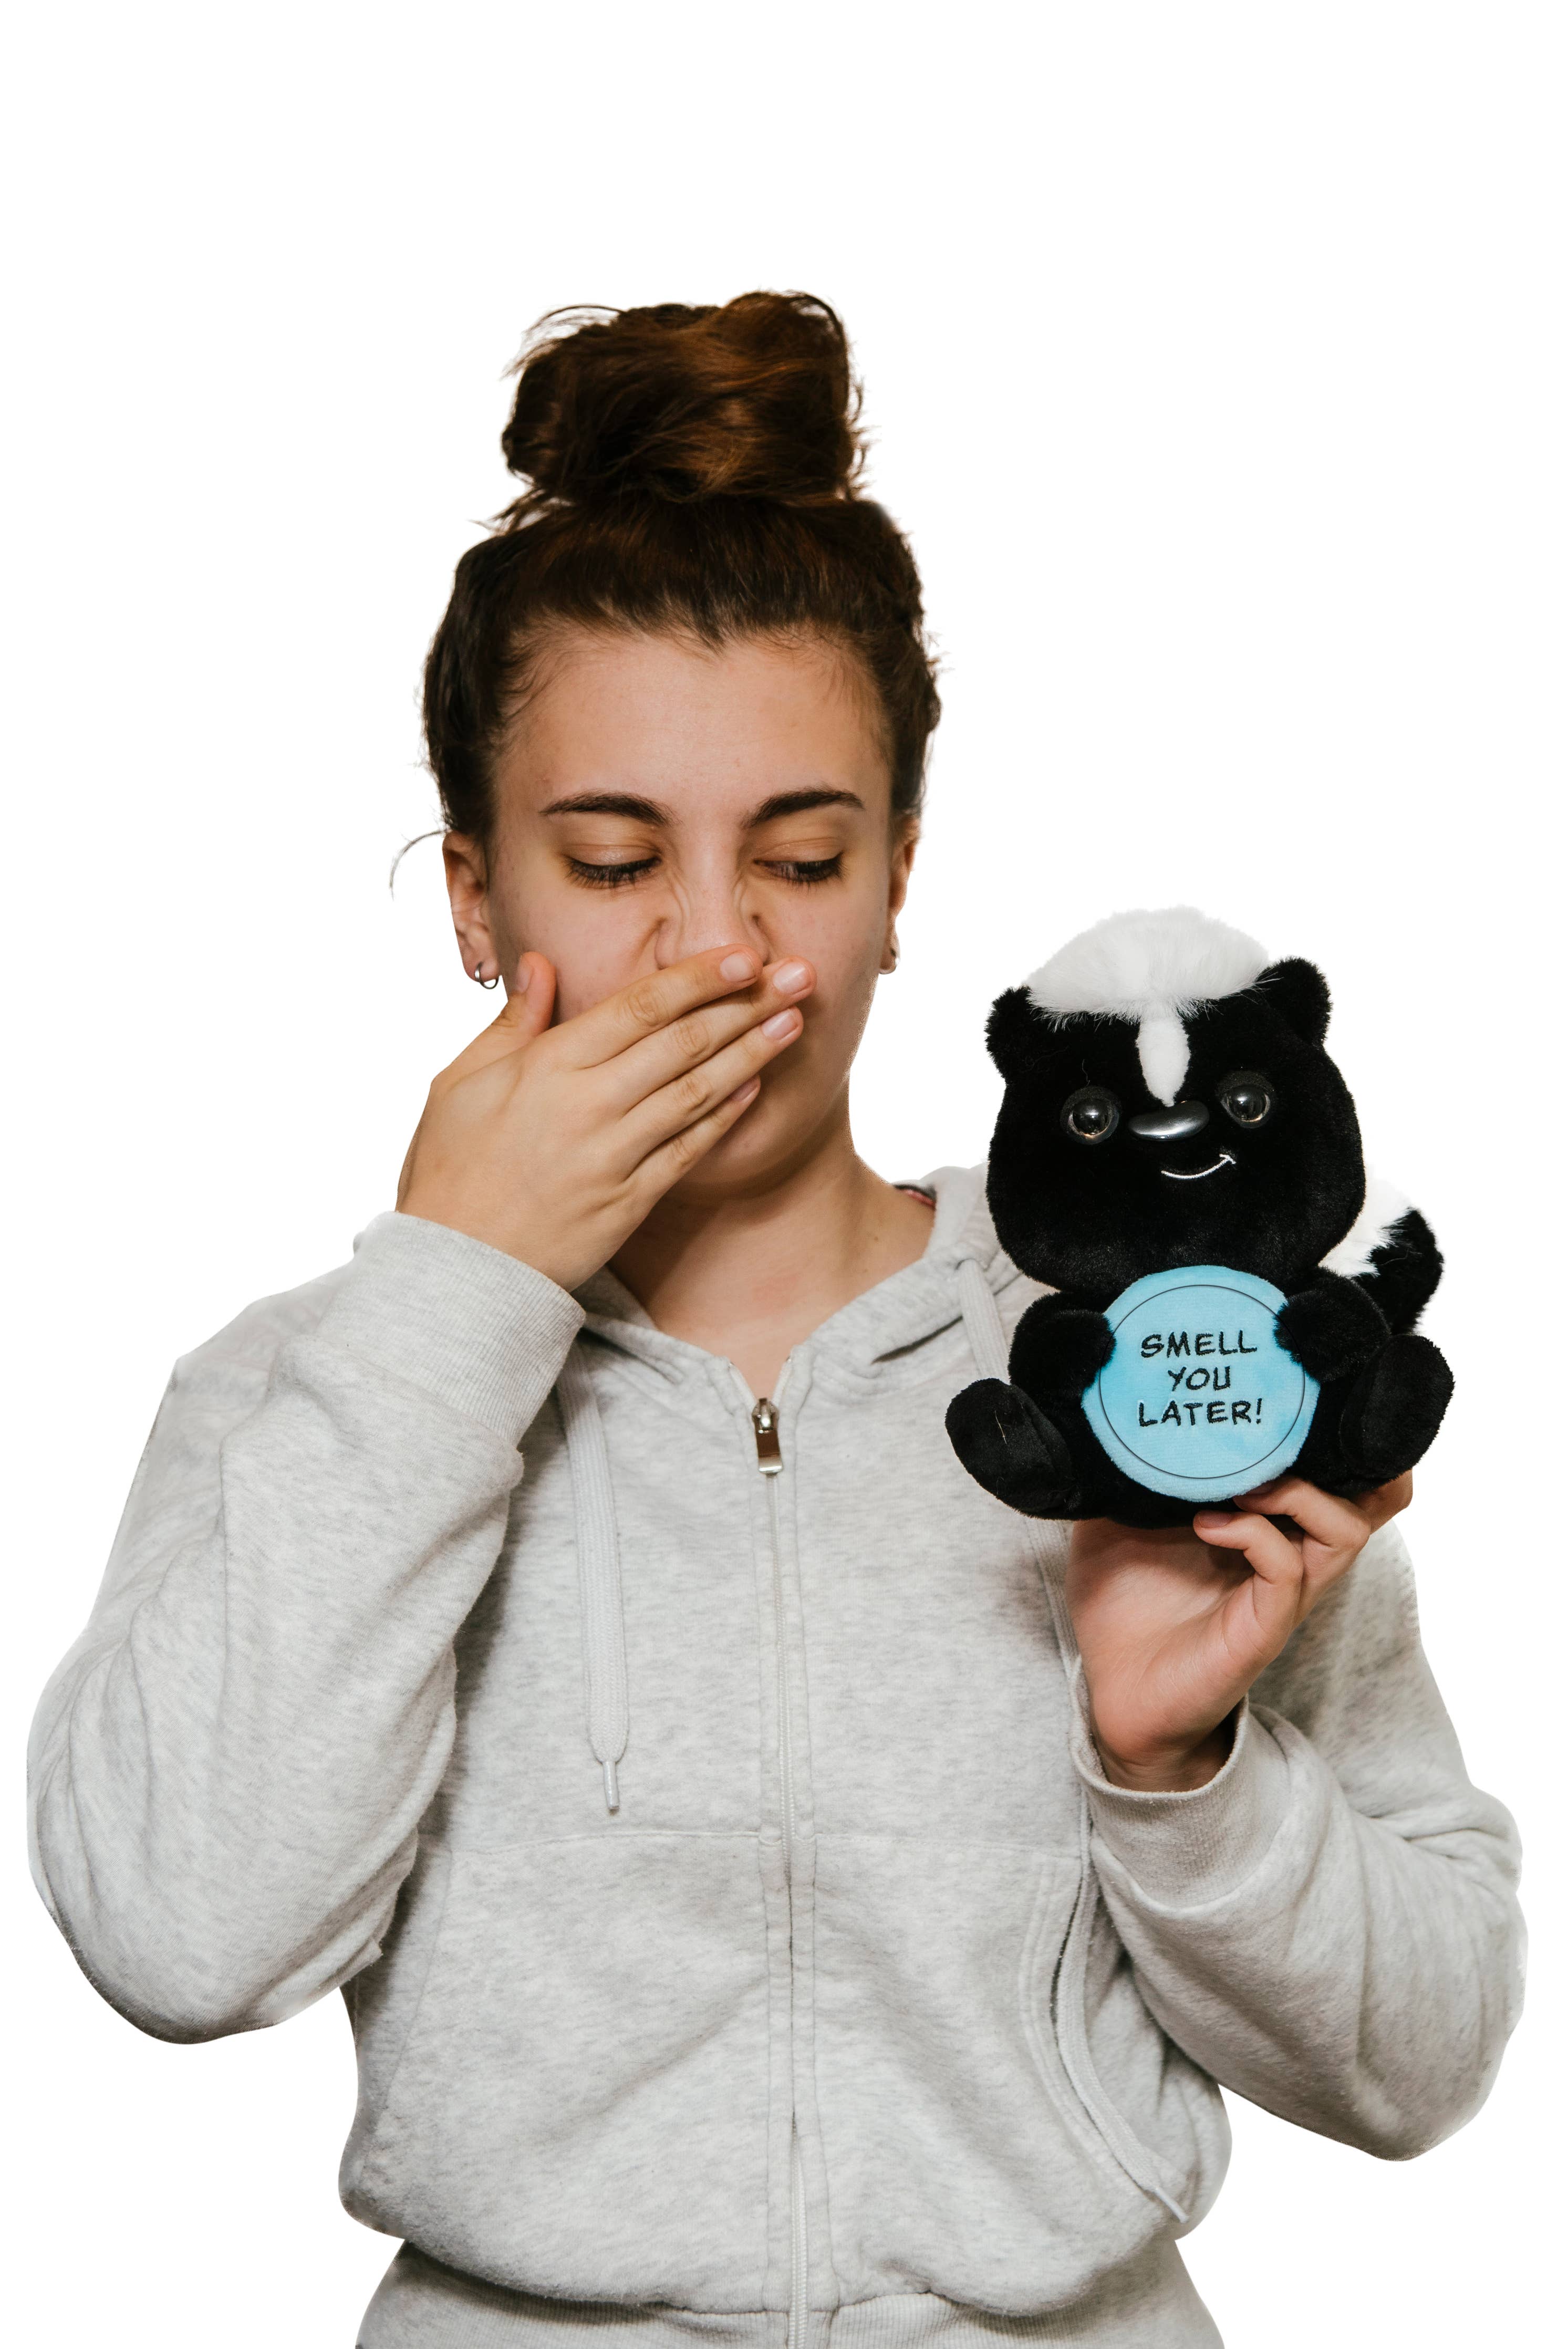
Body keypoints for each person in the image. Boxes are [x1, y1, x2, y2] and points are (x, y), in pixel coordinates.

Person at [27, 293, 1523, 2349]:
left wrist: (1181, 1773)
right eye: (611, 856)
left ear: (898, 877)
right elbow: (176, 1938)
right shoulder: (315, 1391)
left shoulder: (1156, 1369)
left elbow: (1427, 2055)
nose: (718, 947)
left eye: (801, 856)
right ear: (473, 893)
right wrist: (455, 1301)